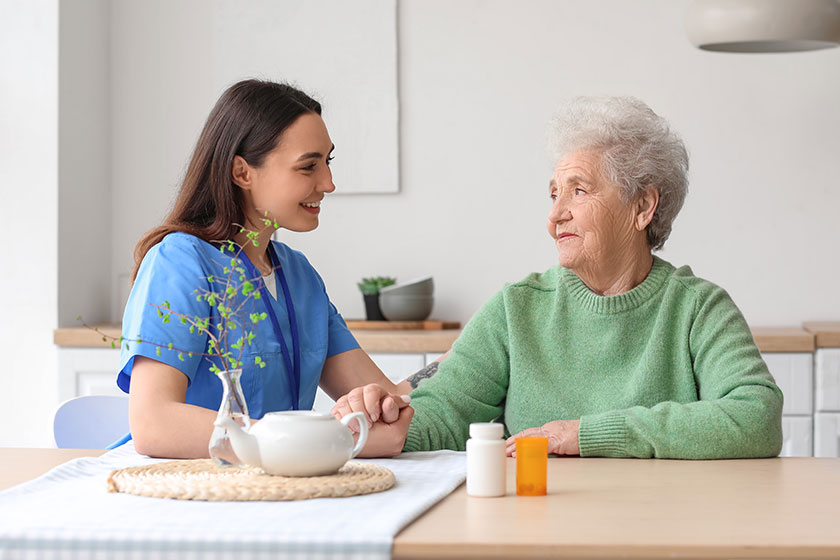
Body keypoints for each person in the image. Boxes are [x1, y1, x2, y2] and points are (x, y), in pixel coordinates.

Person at [335, 96, 784, 460]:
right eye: (553, 194)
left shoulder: (698, 309)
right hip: (538, 524)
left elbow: (756, 419)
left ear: (643, 207)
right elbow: (445, 410)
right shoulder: (517, 308)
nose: (554, 215)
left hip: (665, 526)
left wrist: (589, 435)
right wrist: (391, 424)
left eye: (579, 190)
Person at [119, 79, 409, 458]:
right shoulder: (180, 262)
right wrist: (312, 442)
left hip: (281, 492)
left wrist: (385, 407)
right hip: (189, 492)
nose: (329, 183)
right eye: (308, 167)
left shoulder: (300, 275)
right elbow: (154, 425)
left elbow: (388, 401)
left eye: (328, 162)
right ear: (242, 172)